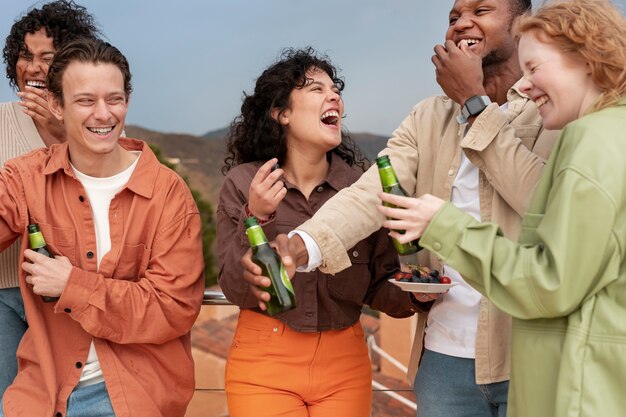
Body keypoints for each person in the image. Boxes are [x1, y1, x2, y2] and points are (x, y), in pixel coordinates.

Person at [241, 0, 560, 416]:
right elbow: (371, 194)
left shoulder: (550, 112)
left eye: (482, 10)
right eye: (453, 17)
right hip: (443, 362)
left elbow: (544, 205)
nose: (462, 22)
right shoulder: (427, 116)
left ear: (522, 24)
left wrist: (473, 103)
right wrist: (301, 246)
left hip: (530, 355)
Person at [378, 0, 626, 416]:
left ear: (585, 59)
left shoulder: (589, 141)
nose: (525, 87)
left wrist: (445, 226)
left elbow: (549, 284)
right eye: (453, 16)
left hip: (585, 391)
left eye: (535, 68)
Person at [0, 37, 204, 417]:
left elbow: (173, 308)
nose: (103, 114)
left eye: (114, 99)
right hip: (39, 395)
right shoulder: (25, 177)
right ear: (57, 106)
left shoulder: (168, 194)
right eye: (85, 101)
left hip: (132, 395)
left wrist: (72, 286)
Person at [217, 47, 419, 417]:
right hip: (263, 362)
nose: (334, 96)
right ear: (282, 113)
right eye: (315, 88)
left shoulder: (363, 189)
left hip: (346, 365)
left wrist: (418, 294)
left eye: (335, 89)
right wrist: (257, 217)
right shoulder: (244, 183)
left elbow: (380, 284)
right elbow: (234, 286)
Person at [0, 0, 99, 398]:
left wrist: (61, 132)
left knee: (66, 398)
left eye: (47, 57)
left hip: (64, 291)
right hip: (4, 292)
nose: (34, 68)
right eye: (25, 56)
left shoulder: (89, 125)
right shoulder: (2, 120)